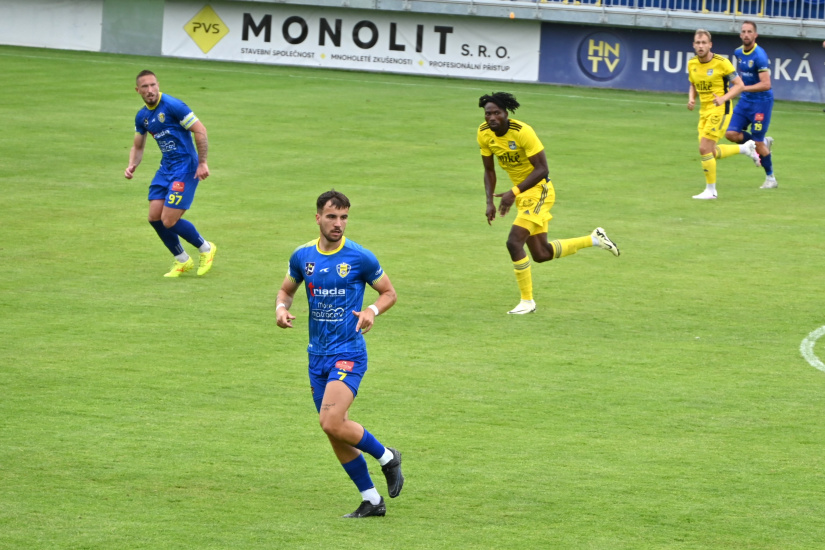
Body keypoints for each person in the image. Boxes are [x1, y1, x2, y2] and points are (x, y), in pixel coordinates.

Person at [275, 190, 404, 518]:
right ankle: (372, 500)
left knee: (331, 420)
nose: (338, 224)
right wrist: (281, 308)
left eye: (344, 217)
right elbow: (287, 290)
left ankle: (388, 457)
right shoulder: (302, 256)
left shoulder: (360, 257)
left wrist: (372, 309)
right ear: (318, 217)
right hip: (315, 356)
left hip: (348, 352)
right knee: (333, 428)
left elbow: (389, 292)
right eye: (332, 217)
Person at [477, 92, 620, 315]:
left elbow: (543, 169)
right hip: (523, 194)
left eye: (497, 113)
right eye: (488, 114)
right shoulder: (484, 134)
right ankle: (594, 239)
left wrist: (512, 192)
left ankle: (527, 302)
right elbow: (488, 170)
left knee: (514, 242)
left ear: (507, 113)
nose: (492, 117)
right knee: (541, 254)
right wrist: (489, 202)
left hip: (540, 191)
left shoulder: (523, 132)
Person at [125, 70, 217, 277]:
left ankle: (206, 248)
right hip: (166, 168)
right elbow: (138, 146)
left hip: (186, 168)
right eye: (145, 87)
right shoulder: (143, 116)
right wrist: (132, 164)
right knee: (154, 217)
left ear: (158, 85)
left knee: (168, 220)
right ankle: (182, 260)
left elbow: (200, 130)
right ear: (137, 90)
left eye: (153, 85)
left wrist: (202, 162)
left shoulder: (174, 106)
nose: (150, 90)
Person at [687, 29, 762, 200]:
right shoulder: (692, 64)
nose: (700, 46)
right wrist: (691, 99)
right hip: (704, 110)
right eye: (697, 43)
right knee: (710, 152)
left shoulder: (722, 63)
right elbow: (692, 84)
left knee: (704, 148)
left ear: (710, 45)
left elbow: (739, 85)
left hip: (721, 109)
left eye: (704, 42)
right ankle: (745, 148)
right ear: (693, 45)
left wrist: (723, 99)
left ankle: (711, 191)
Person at [725, 21, 777, 189]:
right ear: (740, 35)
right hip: (746, 100)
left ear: (755, 35)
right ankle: (757, 144)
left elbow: (766, 84)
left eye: (749, 32)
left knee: (759, 142)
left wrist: (742, 87)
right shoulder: (738, 52)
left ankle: (771, 178)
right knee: (731, 134)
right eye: (743, 31)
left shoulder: (760, 56)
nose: (746, 34)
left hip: (761, 102)